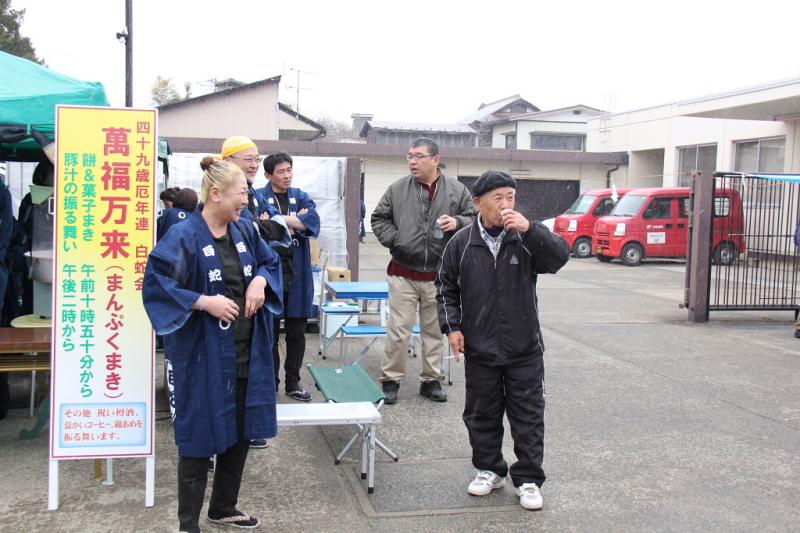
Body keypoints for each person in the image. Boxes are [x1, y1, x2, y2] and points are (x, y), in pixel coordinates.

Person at [142, 158, 282, 533]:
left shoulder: (246, 230)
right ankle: (188, 523)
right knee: (198, 435)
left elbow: (270, 262)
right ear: (216, 194)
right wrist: (204, 302)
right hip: (203, 355)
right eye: (241, 194)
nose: (246, 202)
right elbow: (157, 286)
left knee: (240, 430)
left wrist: (260, 282)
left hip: (246, 352)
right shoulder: (184, 236)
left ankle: (223, 506)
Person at [436, 170, 570, 511]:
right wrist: (452, 328)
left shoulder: (525, 237)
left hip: (524, 348)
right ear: (478, 203)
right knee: (481, 413)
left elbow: (558, 258)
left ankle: (527, 479)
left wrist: (531, 229)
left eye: (510, 196)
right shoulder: (461, 243)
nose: (506, 204)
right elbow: (446, 288)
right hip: (480, 348)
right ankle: (488, 469)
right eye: (498, 198)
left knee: (528, 415)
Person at [370, 137, 477, 404]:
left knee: (434, 332)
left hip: (439, 276)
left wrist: (459, 221)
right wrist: (397, 240)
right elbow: (378, 218)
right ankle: (390, 380)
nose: (413, 162)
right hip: (403, 272)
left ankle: (431, 381)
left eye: (418, 156)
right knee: (398, 331)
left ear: (435, 160)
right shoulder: (397, 189)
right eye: (409, 156)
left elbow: (476, 218)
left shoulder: (456, 190)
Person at [260, 152, 320, 402]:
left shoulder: (301, 196)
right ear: (268, 175)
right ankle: (270, 382)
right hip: (271, 273)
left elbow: (313, 222)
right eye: (282, 171)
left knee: (297, 332)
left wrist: (277, 220)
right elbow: (259, 226)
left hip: (298, 275)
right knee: (269, 334)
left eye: (289, 170)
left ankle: (293, 382)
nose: (287, 175)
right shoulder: (259, 197)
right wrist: (296, 221)